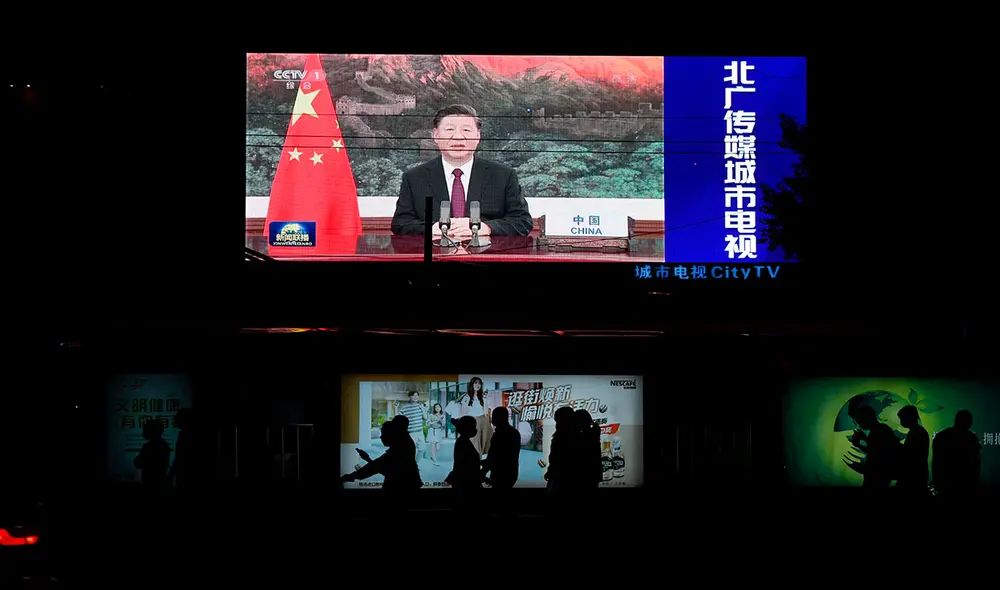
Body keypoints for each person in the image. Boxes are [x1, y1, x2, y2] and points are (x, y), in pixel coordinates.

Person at [390, 104, 533, 239]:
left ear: (478, 136)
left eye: (466, 130)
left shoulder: (503, 176)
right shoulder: (414, 177)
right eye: (450, 130)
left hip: (487, 258)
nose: (458, 136)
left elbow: (522, 221)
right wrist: (431, 228)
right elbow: (401, 223)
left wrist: (486, 228)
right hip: (434, 259)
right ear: (436, 135)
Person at [341, 419, 423, 493]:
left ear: (393, 434)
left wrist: (346, 478)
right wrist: (368, 459)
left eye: (384, 433)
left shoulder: (396, 452)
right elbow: (381, 467)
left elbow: (375, 467)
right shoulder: (406, 443)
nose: (381, 437)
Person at [932, 409, 982, 497]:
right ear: (969, 422)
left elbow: (936, 461)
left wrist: (936, 480)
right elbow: (976, 461)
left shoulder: (942, 435)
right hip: (966, 483)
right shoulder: (971, 437)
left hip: (946, 481)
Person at [446, 377, 493, 456]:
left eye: (479, 383)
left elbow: (485, 412)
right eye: (475, 383)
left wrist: (485, 400)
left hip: (483, 421)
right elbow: (464, 413)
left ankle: (479, 463)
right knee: (475, 445)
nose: (477, 385)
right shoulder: (467, 396)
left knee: (484, 444)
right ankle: (476, 464)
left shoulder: (482, 397)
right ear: (471, 384)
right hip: (472, 421)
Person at [481, 406, 520, 490]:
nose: (492, 419)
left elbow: (494, 456)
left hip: (501, 473)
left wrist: (483, 471)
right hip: (511, 473)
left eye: (494, 416)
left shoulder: (499, 435)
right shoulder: (514, 433)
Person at [896, 405, 929, 496]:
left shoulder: (917, 432)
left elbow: (913, 454)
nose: (901, 422)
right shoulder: (918, 431)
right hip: (917, 474)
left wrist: (896, 444)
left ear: (910, 418)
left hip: (913, 476)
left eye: (902, 419)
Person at [133, 419, 171, 493]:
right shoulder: (164, 445)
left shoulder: (148, 446)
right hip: (160, 482)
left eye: (146, 429)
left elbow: (138, 463)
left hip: (150, 483)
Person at [397, 391, 428, 465]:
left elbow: (425, 417)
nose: (415, 397)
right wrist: (396, 408)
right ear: (409, 397)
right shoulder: (405, 407)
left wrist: (422, 408)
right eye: (413, 396)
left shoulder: (420, 406)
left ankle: (414, 464)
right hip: (411, 433)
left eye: (417, 396)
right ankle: (411, 466)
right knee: (412, 451)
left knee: (422, 449)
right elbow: (398, 417)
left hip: (420, 432)